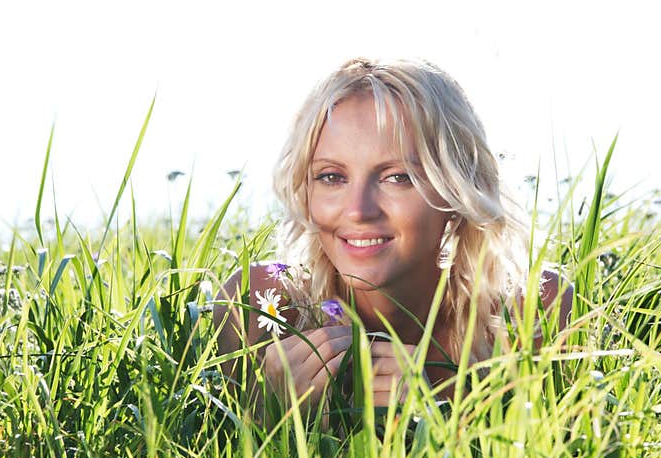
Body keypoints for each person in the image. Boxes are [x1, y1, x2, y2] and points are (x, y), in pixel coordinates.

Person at [213, 57, 573, 419]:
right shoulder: (258, 306)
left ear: (457, 187)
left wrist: (435, 428)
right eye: (331, 177)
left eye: (397, 177)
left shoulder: (535, 314)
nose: (358, 210)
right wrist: (271, 415)